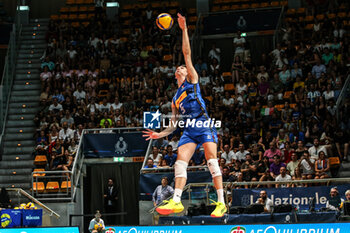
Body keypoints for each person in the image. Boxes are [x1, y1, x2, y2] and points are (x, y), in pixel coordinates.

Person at [143, 13, 227, 218]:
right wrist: (159, 135)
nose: (182, 67)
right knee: (180, 162)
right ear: (175, 74)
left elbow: (186, 53)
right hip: (189, 130)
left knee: (212, 162)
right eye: (180, 67)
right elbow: (173, 126)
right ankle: (177, 201)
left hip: (204, 124)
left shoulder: (192, 79)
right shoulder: (174, 99)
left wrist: (184, 29)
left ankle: (222, 202)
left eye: (183, 66)